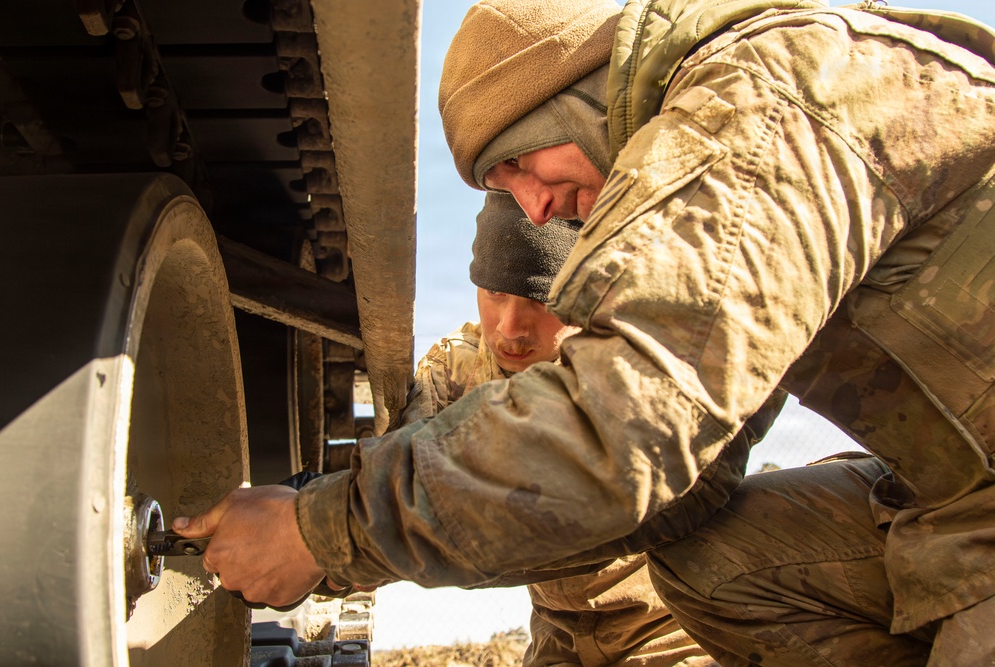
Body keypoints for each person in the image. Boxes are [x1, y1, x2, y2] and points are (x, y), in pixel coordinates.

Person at [173, 0, 995, 663]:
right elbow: (678, 511)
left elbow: (634, 426)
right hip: (953, 498)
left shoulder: (759, 101)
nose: (533, 205)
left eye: (522, 163)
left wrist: (324, 530)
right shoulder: (731, 138)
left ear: (575, 92)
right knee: (719, 562)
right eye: (503, 185)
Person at [401, 191, 715, 667]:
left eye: (541, 300)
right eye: (494, 293)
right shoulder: (454, 366)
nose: (510, 328)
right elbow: (405, 478)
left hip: (666, 624)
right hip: (557, 625)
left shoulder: (629, 367)